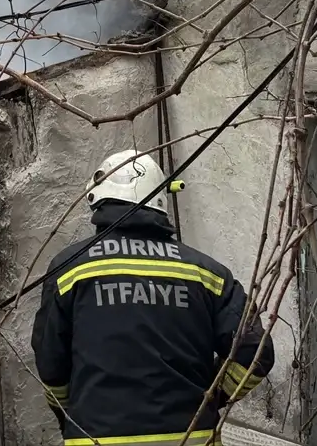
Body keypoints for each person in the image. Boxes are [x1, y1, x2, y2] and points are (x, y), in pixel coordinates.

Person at [30, 149, 276, 446]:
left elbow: (51, 364)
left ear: (98, 199)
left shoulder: (70, 269)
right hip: (191, 438)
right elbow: (255, 352)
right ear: (162, 201)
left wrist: (73, 415)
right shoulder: (208, 273)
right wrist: (213, 396)